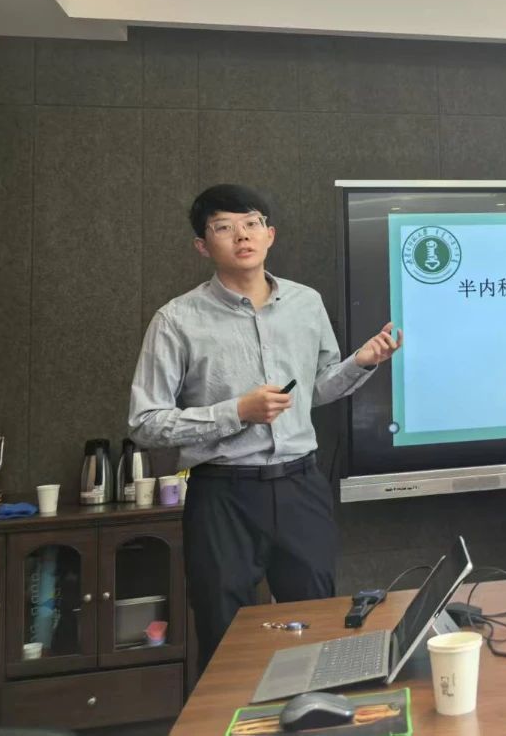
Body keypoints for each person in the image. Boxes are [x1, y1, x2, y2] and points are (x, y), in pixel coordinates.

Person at [128, 184, 401, 671]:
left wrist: (360, 362)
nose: (242, 236)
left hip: (300, 486)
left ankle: (313, 709)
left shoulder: (306, 303)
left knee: (319, 626)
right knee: (223, 637)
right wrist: (237, 412)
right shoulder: (176, 320)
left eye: (251, 224)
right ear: (202, 245)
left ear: (269, 234)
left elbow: (315, 390)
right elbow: (145, 423)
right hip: (222, 496)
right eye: (224, 227)